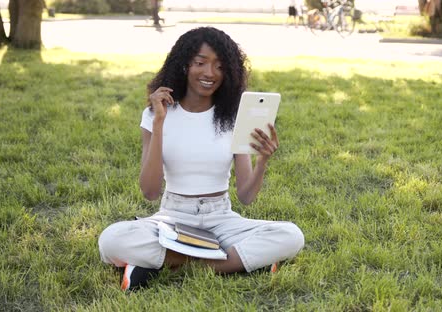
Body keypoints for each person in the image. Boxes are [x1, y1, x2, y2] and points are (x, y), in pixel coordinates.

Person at [98, 27, 305, 291]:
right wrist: (160, 123)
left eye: (219, 66)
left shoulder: (232, 116)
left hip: (222, 218)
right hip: (173, 217)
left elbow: (246, 196)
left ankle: (170, 264)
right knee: (111, 239)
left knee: (291, 235)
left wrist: (262, 161)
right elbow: (150, 192)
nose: (209, 73)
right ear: (185, 65)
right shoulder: (155, 114)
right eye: (200, 63)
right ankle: (234, 262)